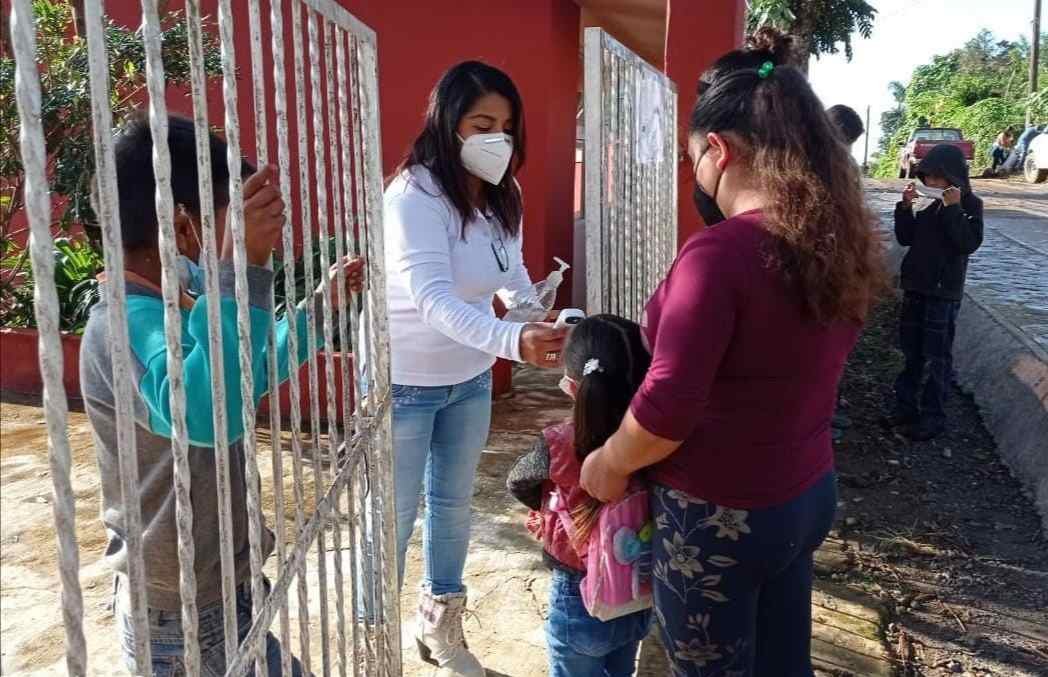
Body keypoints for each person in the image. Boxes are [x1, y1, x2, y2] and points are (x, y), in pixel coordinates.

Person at [578, 28, 886, 676]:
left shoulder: (719, 255)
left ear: (718, 148)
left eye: (693, 160)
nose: (697, 177)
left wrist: (606, 462)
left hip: (721, 521)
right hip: (805, 495)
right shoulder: (836, 244)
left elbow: (668, 405)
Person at [81, 114, 363, 676]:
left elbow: (245, 377)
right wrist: (243, 271)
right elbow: (210, 418)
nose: (237, 236)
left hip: (225, 581)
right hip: (176, 608)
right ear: (184, 228)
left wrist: (318, 312)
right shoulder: (126, 326)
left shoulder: (184, 304)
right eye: (228, 220)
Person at [382, 61, 567, 676]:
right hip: (404, 381)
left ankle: (439, 624)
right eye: (482, 123)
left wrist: (537, 312)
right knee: (394, 516)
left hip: (469, 379)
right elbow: (434, 300)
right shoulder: (414, 196)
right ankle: (369, 638)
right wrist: (516, 340)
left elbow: (510, 278)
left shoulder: (500, 196)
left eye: (508, 126)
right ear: (448, 122)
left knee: (452, 504)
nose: (498, 139)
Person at [507, 315, 652, 677]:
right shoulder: (655, 447)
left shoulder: (556, 444)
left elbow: (518, 480)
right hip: (635, 590)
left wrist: (547, 505)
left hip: (578, 594)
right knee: (620, 666)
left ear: (571, 387)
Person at [892, 144, 984, 441]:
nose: (930, 184)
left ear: (953, 178)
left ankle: (933, 417)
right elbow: (906, 237)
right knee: (912, 352)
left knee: (937, 356)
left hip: (942, 293)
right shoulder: (929, 206)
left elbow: (967, 243)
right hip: (917, 287)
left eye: (937, 179)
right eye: (927, 178)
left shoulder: (970, 206)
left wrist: (954, 208)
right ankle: (904, 408)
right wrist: (905, 208)